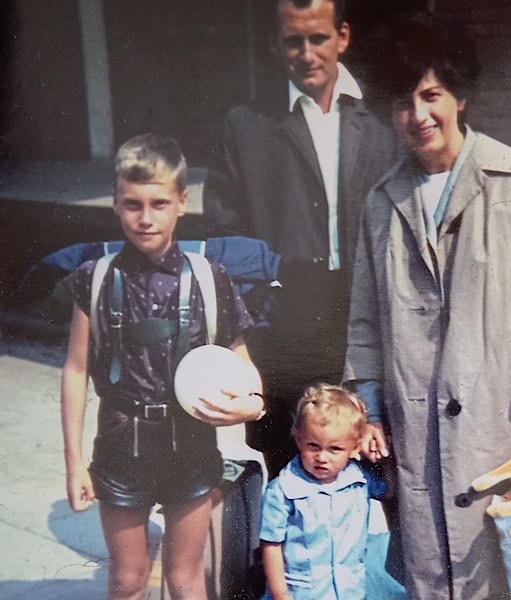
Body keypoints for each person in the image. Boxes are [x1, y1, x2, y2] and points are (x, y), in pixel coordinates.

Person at [344, 12, 511, 600]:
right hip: (413, 434)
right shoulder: (381, 201)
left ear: (460, 96)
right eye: (403, 102)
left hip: (499, 426)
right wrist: (371, 411)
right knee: (430, 570)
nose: (419, 115)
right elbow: (363, 321)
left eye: (432, 95)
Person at [61, 133, 265, 600]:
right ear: (115, 201)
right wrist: (74, 464)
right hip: (119, 444)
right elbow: (75, 371)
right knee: (129, 579)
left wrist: (252, 405)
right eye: (133, 204)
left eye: (158, 203)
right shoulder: (95, 278)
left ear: (181, 202)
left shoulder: (209, 279)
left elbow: (244, 365)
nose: (146, 218)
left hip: (190, 445)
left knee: (185, 578)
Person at [203, 0, 397, 479]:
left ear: (342, 37)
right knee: (292, 467)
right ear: (275, 45)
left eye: (318, 38)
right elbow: (227, 236)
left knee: (373, 460)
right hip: (285, 325)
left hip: (367, 319)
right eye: (293, 41)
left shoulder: (384, 116)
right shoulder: (246, 124)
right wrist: (244, 334)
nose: (306, 53)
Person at [260, 384, 374, 600]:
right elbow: (271, 545)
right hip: (303, 593)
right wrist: (280, 594)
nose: (322, 457)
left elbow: (394, 486)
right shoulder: (283, 490)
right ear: (299, 439)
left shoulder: (359, 481)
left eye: (335, 449)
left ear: (355, 447)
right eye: (313, 446)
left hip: (350, 591)